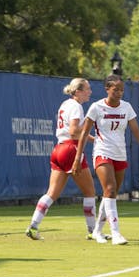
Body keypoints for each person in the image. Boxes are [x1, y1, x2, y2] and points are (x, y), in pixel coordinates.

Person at [70, 74, 139, 245]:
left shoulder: (126, 107)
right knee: (109, 188)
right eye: (115, 89)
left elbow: (136, 131)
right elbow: (84, 133)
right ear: (107, 89)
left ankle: (97, 231)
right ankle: (116, 233)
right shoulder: (96, 107)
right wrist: (78, 158)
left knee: (111, 193)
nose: (119, 93)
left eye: (121, 90)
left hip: (120, 154)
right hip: (102, 152)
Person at [25, 77, 98, 240]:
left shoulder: (65, 104)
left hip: (58, 149)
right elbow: (73, 132)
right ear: (78, 91)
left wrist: (92, 138)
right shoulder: (77, 106)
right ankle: (93, 231)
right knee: (89, 192)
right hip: (71, 149)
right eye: (87, 89)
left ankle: (33, 226)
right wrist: (89, 132)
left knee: (51, 193)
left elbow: (71, 131)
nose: (90, 92)